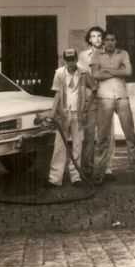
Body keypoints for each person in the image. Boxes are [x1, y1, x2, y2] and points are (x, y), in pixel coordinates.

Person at [91, 30, 135, 185]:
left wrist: (108, 71)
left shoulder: (123, 53)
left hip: (122, 96)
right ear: (104, 41)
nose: (110, 42)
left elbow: (128, 71)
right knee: (102, 137)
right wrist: (117, 73)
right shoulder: (97, 55)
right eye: (107, 39)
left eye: (113, 39)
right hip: (104, 98)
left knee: (130, 134)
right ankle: (99, 174)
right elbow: (95, 74)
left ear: (116, 41)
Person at [46, 48, 95, 188]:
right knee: (59, 146)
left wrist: (87, 107)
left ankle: (76, 177)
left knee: (77, 145)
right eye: (68, 60)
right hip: (63, 113)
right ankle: (54, 179)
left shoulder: (84, 73)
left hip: (78, 114)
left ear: (76, 59)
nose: (70, 62)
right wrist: (52, 113)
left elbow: (94, 88)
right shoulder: (59, 73)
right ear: (64, 60)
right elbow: (56, 95)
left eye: (73, 59)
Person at [78, 26, 115, 181]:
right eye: (93, 36)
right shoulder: (83, 56)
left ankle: (107, 168)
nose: (97, 39)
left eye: (99, 36)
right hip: (91, 97)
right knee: (89, 134)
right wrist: (94, 86)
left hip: (106, 97)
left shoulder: (110, 53)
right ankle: (87, 168)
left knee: (107, 134)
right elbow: (84, 75)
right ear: (89, 39)